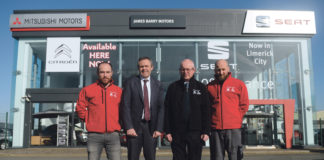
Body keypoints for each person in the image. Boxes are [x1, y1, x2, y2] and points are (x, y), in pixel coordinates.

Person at [164, 59, 210, 160]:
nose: (186, 72)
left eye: (188, 69)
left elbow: (206, 111)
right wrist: (167, 131)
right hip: (177, 132)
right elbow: (167, 111)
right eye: (183, 69)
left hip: (196, 132)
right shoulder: (173, 87)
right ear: (179, 71)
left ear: (194, 70)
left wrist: (206, 131)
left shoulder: (201, 87)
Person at [76, 62, 122, 160]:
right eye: (102, 72)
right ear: (98, 73)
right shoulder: (87, 90)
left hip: (113, 135)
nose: (105, 75)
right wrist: (89, 120)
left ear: (112, 73)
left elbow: (124, 110)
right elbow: (80, 108)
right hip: (94, 135)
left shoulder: (119, 91)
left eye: (107, 72)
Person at [121, 57, 164, 160]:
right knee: (133, 157)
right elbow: (125, 106)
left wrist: (159, 128)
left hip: (151, 128)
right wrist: (128, 127)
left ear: (152, 67)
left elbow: (161, 108)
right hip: (134, 128)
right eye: (141, 66)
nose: (144, 68)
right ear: (138, 68)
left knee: (150, 157)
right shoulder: (130, 83)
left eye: (146, 66)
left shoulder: (157, 84)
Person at [207, 59, 249, 160]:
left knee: (235, 157)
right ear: (214, 70)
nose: (221, 72)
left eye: (223, 69)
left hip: (234, 129)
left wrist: (236, 118)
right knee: (217, 157)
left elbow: (244, 104)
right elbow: (207, 108)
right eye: (218, 70)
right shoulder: (209, 87)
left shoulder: (239, 85)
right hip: (216, 130)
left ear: (228, 69)